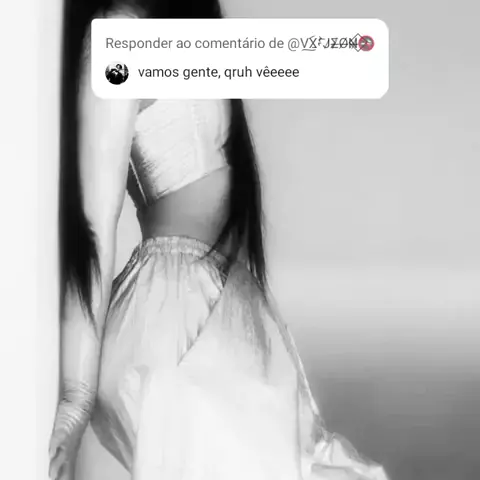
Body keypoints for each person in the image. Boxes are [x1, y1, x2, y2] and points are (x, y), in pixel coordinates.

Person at [49, 1, 390, 479]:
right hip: (174, 321)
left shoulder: (181, 27)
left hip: (223, 307)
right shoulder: (119, 33)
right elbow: (93, 223)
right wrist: (76, 395)